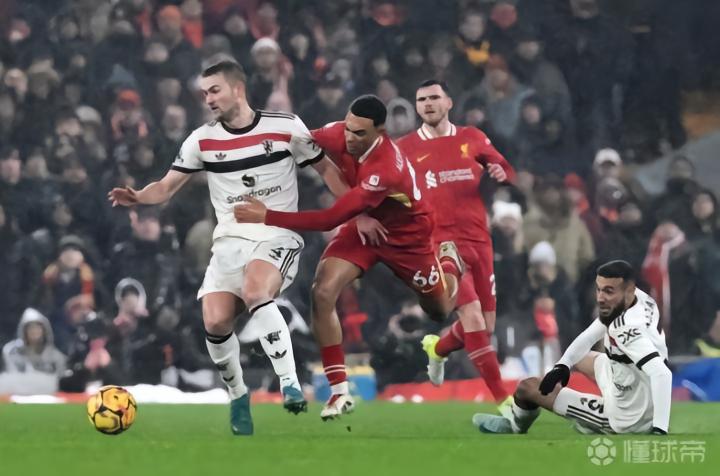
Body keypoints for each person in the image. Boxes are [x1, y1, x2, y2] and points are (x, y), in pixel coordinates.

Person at [108, 60, 352, 436]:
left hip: (275, 235)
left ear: (238, 89)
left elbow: (328, 172)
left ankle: (289, 383)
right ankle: (238, 395)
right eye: (204, 93)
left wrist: (356, 211)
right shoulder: (201, 140)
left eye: (215, 90)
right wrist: (139, 196)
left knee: (256, 291)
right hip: (228, 244)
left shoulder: (286, 126)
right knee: (216, 321)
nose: (208, 99)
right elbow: (166, 186)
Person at [233, 94, 465, 420]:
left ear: (380, 132)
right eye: (348, 129)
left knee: (440, 310)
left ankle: (450, 261)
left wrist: (267, 216)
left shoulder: (386, 168)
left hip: (407, 238)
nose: (350, 138)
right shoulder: (337, 134)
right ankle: (339, 392)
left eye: (359, 133)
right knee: (322, 290)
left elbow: (329, 219)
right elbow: (293, 140)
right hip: (365, 229)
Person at [396, 80, 515, 408]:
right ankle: (506, 404)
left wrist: (500, 172)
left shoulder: (472, 137)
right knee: (472, 316)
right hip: (438, 244)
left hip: (479, 240)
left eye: (434, 97)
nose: (428, 104)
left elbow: (506, 168)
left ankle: (438, 349)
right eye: (421, 99)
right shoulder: (404, 148)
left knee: (484, 327)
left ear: (448, 102)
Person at [473, 260, 672, 435]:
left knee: (527, 387)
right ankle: (602, 406)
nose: (600, 297)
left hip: (626, 418)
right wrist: (562, 365)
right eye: (599, 289)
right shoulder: (640, 300)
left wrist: (659, 428)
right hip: (632, 381)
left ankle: (514, 424)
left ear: (627, 291)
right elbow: (589, 336)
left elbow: (662, 374)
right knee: (580, 358)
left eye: (608, 291)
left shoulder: (626, 329)